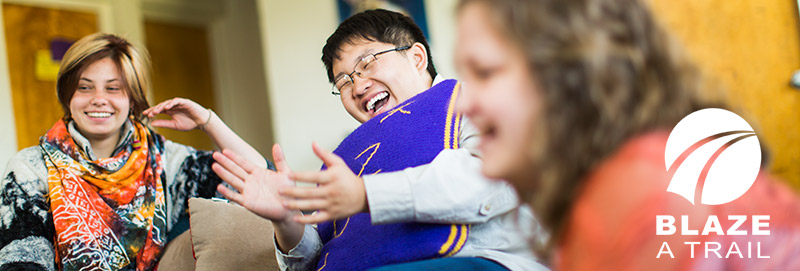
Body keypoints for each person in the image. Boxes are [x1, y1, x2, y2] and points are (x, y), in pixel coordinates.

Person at [455, 0, 800, 269]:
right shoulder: (628, 170)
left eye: (485, 73)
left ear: (570, 75)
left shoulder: (638, 192)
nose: (461, 105)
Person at [211, 9, 546, 271]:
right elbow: (320, 256)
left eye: (368, 62)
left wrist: (365, 194)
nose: (357, 86)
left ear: (417, 57)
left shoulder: (477, 101)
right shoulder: (352, 154)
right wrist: (285, 219)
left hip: (486, 260)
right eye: (343, 81)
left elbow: (486, 181)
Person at [0, 33, 271, 271]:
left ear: (132, 99)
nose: (98, 98)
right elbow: (21, 262)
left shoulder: (163, 159)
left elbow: (256, 174)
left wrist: (207, 121)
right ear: (68, 95)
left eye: (113, 88)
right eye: (84, 87)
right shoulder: (30, 168)